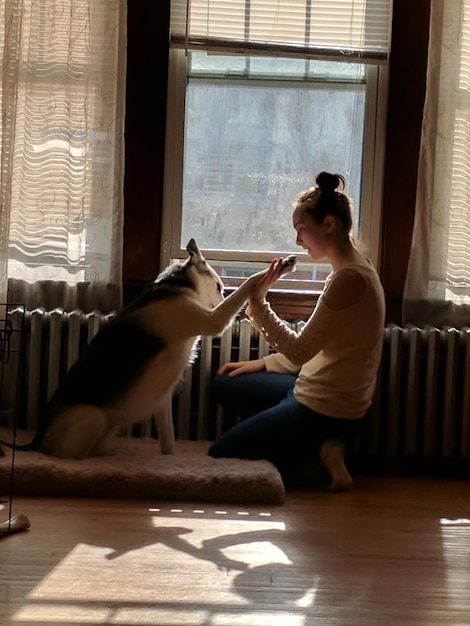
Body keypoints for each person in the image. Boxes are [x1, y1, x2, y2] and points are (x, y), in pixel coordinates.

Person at [208, 171, 385, 490]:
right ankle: (314, 445)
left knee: (221, 453)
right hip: (310, 389)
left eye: (301, 230)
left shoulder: (349, 280)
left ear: (329, 224)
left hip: (325, 407)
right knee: (225, 383)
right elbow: (314, 348)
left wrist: (258, 301)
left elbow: (301, 349)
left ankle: (309, 449)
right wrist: (260, 365)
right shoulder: (353, 269)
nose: (297, 241)